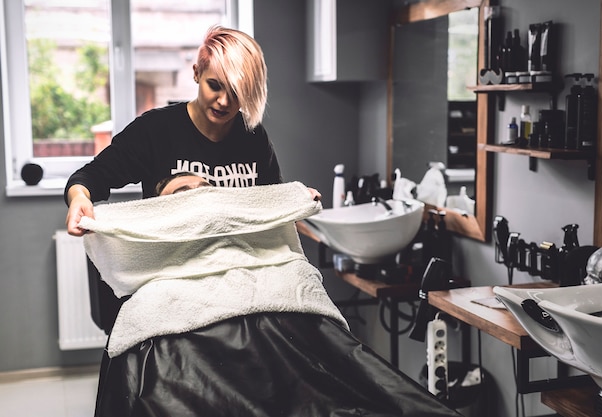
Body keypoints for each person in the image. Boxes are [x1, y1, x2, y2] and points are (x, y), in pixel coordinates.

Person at [82, 176, 462, 417]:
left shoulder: (269, 261)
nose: (198, 198)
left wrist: (295, 199)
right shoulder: (154, 284)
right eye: (181, 193)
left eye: (204, 190)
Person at [64, 25, 319, 236]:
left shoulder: (252, 136)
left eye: (236, 92)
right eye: (215, 86)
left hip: (237, 264)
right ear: (197, 73)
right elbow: (90, 177)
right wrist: (79, 198)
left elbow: (269, 201)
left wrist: (296, 201)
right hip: (172, 268)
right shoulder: (154, 130)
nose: (224, 102)